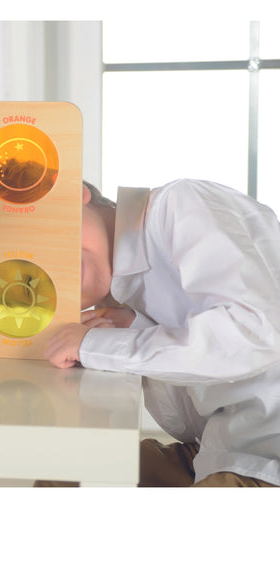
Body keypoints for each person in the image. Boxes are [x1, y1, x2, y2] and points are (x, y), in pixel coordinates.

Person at [44, 179, 280, 487]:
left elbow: (255, 336)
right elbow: (185, 426)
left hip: (267, 456)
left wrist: (98, 348)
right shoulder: (121, 296)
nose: (55, 267)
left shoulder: (178, 205)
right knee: (66, 468)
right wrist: (136, 330)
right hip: (218, 453)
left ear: (73, 195)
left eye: (49, 236)